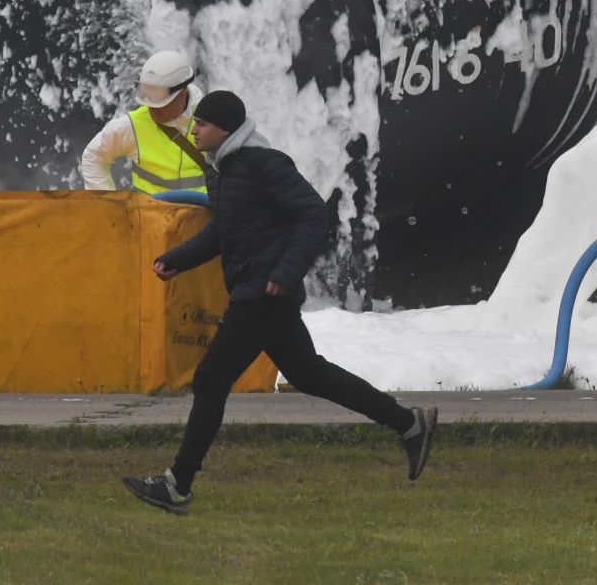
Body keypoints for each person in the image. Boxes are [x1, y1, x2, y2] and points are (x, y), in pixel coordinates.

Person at [123, 90, 436, 515]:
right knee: (309, 374)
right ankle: (408, 424)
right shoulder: (224, 172)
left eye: (202, 124)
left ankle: (178, 486)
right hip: (260, 291)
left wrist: (285, 273)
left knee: (211, 380)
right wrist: (177, 260)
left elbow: (314, 214)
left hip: (264, 293)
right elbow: (222, 234)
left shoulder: (263, 164)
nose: (194, 130)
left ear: (226, 130)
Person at [78, 50, 208, 194]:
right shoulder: (132, 126)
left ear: (182, 94)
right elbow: (94, 157)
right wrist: (107, 205)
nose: (153, 108)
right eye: (148, 99)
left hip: (203, 215)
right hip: (151, 215)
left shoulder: (213, 118)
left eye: (160, 102)